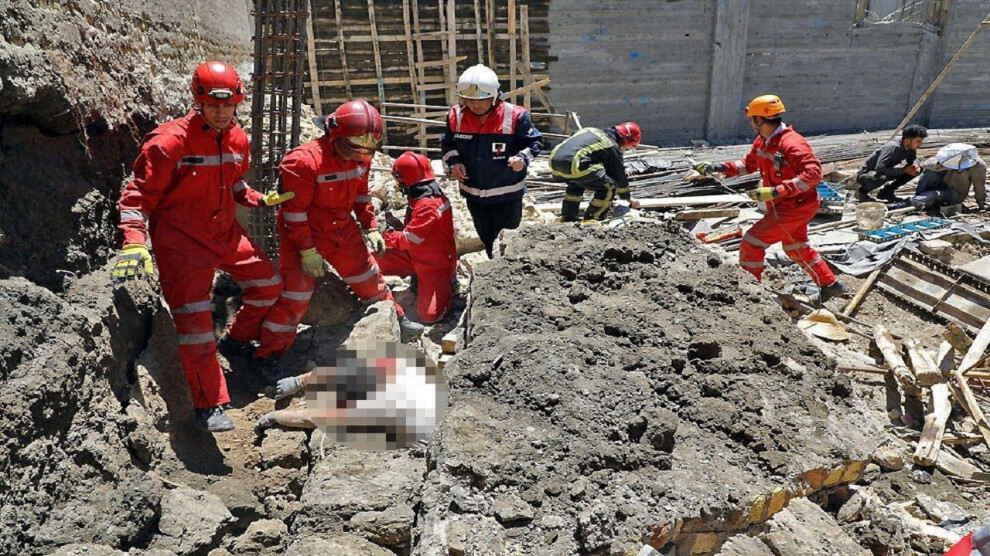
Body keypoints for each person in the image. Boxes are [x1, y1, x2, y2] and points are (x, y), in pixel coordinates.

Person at [112, 61, 295, 433]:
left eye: (228, 105)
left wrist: (258, 199)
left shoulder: (237, 138)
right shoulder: (168, 143)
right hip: (182, 246)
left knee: (268, 286)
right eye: (213, 105)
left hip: (225, 234)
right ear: (199, 100)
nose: (222, 112)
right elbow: (137, 197)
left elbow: (233, 183)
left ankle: (236, 341)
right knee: (195, 326)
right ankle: (209, 405)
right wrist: (134, 241)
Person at [256, 99, 425, 369]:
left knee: (369, 278)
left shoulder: (360, 156)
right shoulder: (302, 162)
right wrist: (307, 251)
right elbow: (294, 214)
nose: (360, 155)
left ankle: (398, 319)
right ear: (335, 135)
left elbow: (361, 195)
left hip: (341, 229)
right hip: (304, 234)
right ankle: (269, 355)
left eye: (366, 150)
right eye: (355, 148)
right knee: (296, 296)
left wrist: (371, 226)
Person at [694, 94, 845, 299]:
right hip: (788, 204)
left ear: (759, 119)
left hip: (797, 205)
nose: (750, 123)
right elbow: (747, 165)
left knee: (752, 242)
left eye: (752, 119)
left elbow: (813, 174)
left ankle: (751, 294)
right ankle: (830, 284)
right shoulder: (763, 142)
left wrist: (776, 191)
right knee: (795, 247)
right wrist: (719, 167)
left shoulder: (792, 144)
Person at [440, 64, 543, 258]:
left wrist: (522, 158)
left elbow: (535, 143)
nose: (475, 106)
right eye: (469, 100)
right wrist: (454, 162)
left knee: (507, 242)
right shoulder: (455, 117)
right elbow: (447, 144)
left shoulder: (515, 116)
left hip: (507, 194)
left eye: (481, 101)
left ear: (494, 96)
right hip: (474, 195)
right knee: (487, 239)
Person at [376, 151, 458, 323]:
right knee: (370, 261)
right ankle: (418, 278)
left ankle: (448, 286)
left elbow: (408, 240)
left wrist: (386, 234)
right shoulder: (424, 195)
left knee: (430, 316)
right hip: (418, 255)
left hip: (434, 265)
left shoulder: (426, 205)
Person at [549, 123, 643, 222]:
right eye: (627, 147)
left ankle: (568, 217)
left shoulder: (590, 130)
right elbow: (618, 174)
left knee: (576, 183)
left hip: (554, 162)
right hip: (574, 164)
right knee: (609, 187)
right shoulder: (610, 144)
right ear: (626, 139)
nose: (624, 149)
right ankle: (593, 219)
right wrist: (627, 197)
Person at [855, 124, 928, 202]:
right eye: (918, 141)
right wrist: (904, 170)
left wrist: (915, 165)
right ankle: (862, 192)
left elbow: (913, 158)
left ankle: (887, 192)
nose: (920, 144)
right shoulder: (893, 147)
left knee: (916, 170)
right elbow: (880, 168)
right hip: (868, 174)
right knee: (882, 177)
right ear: (907, 141)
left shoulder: (910, 147)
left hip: (886, 170)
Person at [910, 143, 986, 212]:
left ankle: (913, 202)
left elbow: (979, 187)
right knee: (929, 171)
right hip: (937, 184)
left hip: (953, 192)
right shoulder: (947, 156)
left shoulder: (977, 166)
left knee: (931, 195)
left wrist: (982, 204)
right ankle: (919, 197)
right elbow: (925, 163)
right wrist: (941, 165)